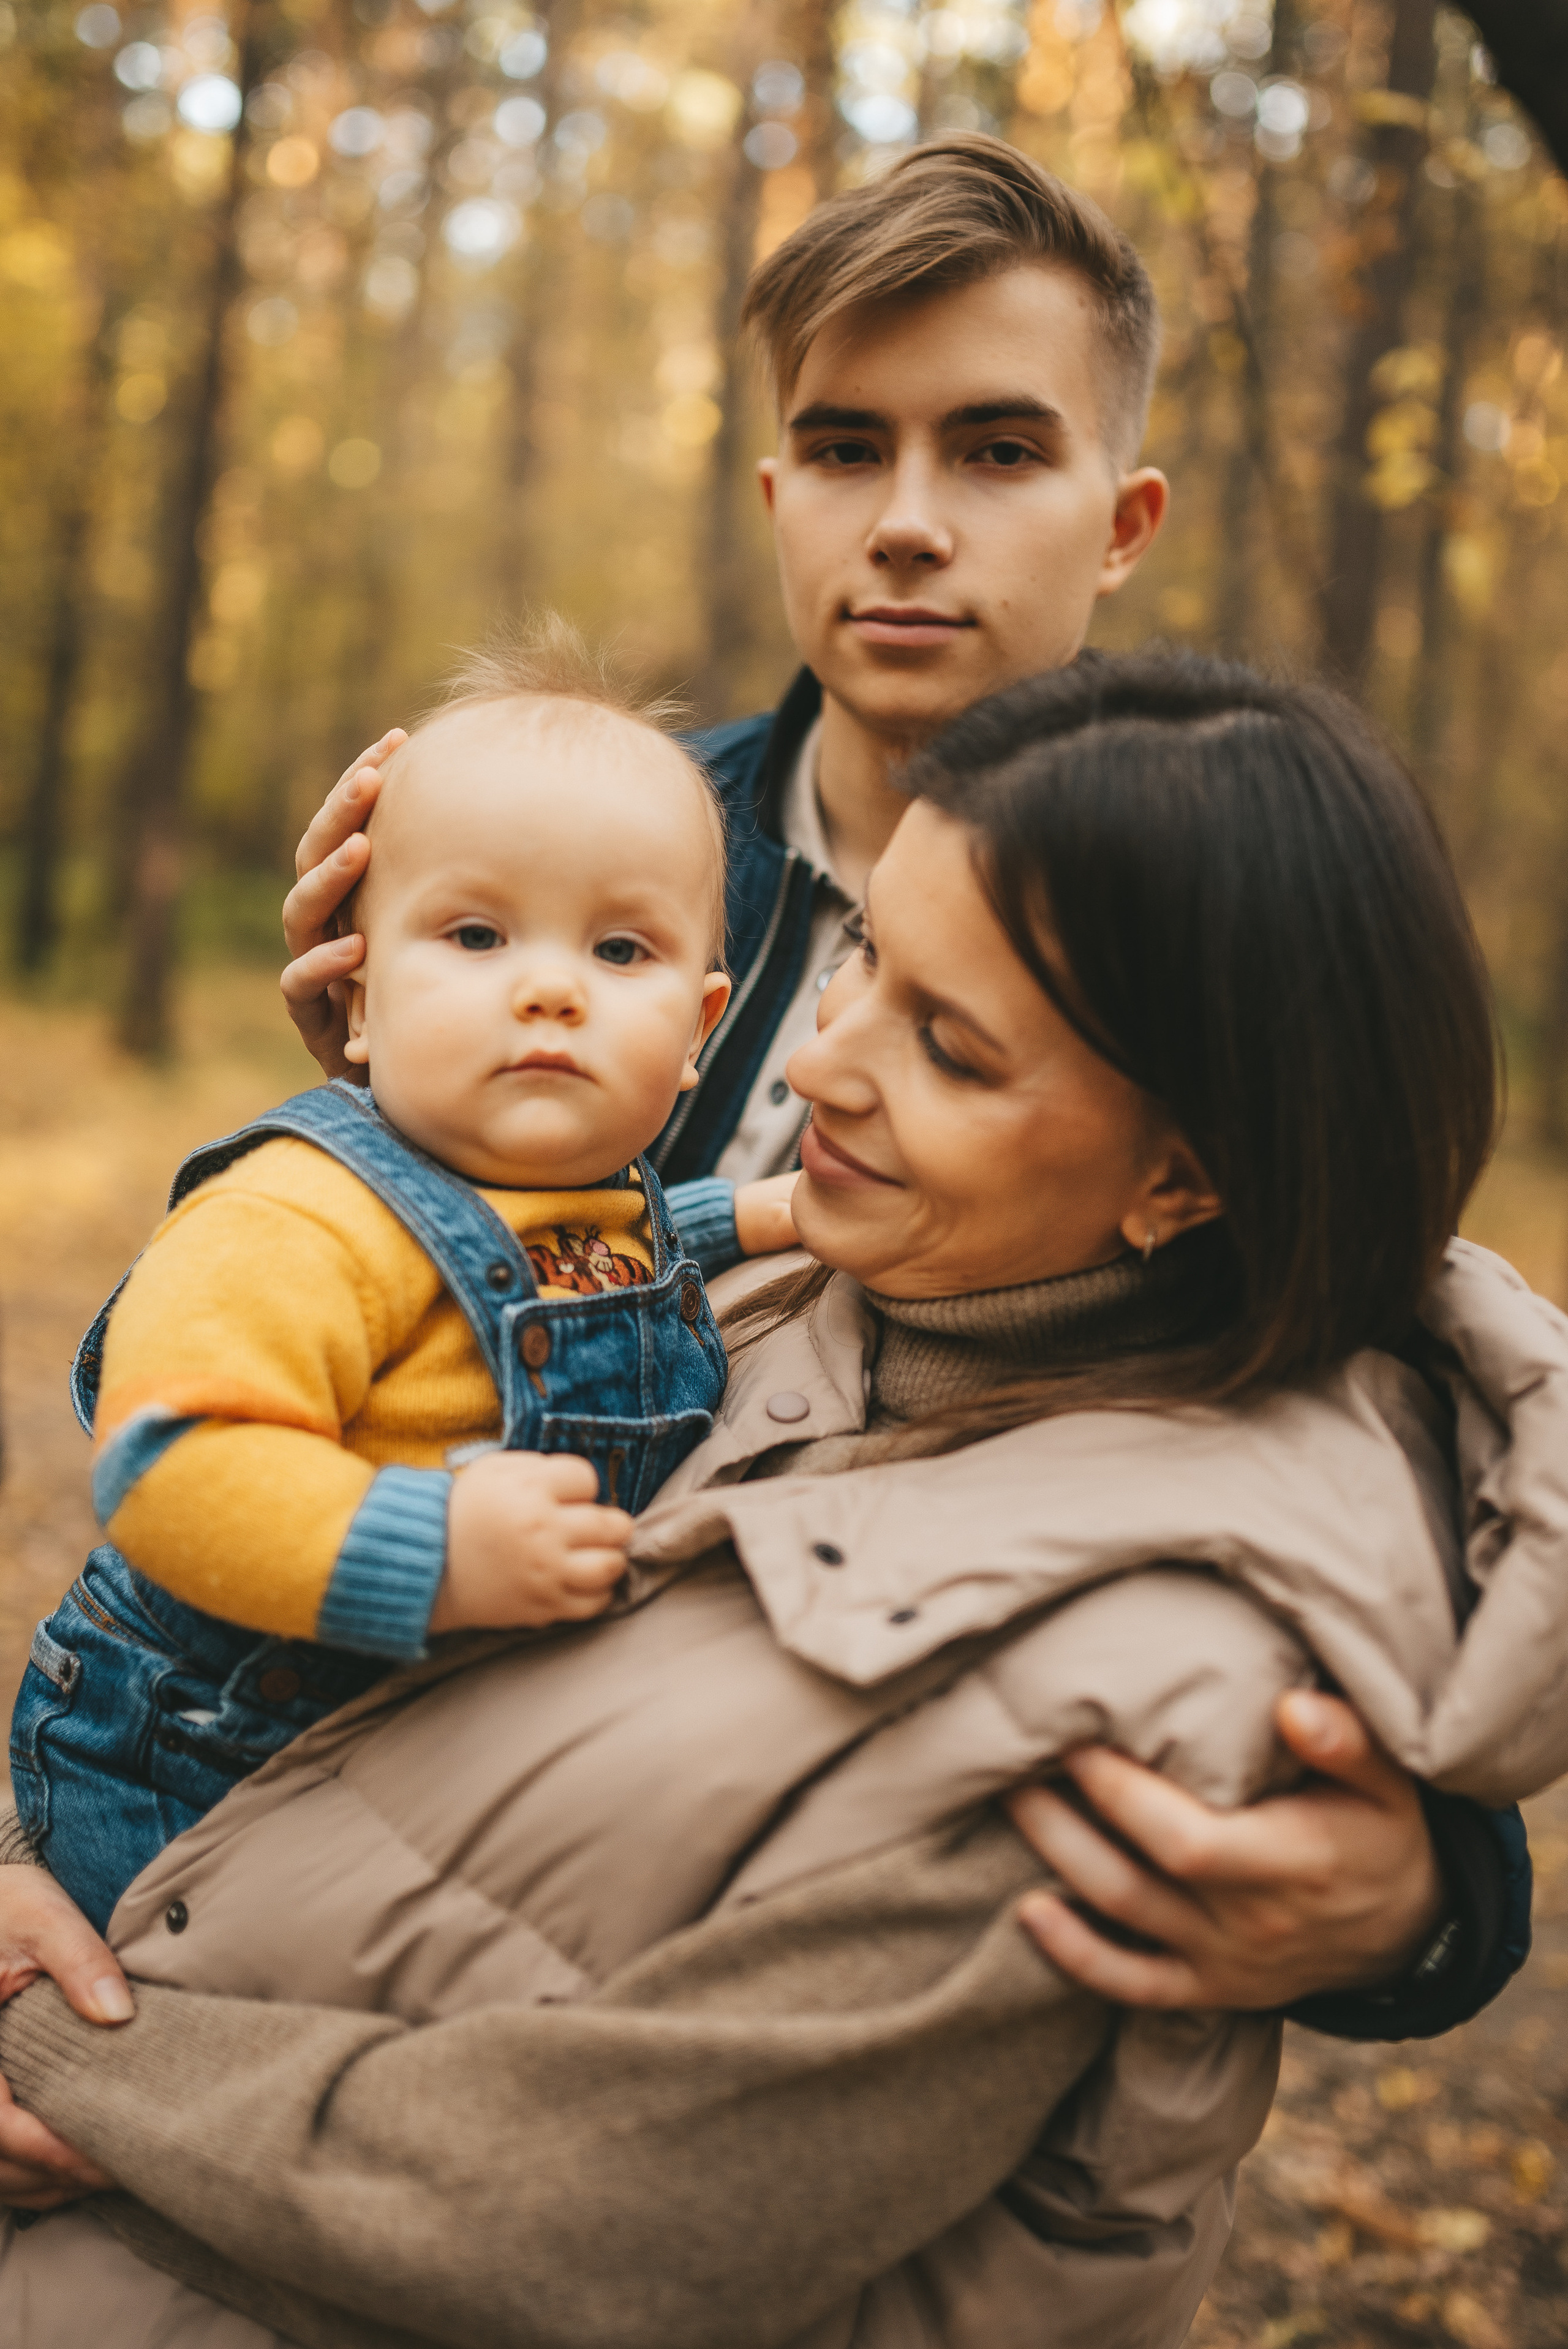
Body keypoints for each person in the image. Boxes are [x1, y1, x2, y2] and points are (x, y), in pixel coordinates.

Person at [1, 656, 1564, 2349]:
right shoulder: (823, 1300)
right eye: (869, 955)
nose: (817, 1065)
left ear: (1186, 1176)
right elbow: (228, 1609)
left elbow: (590, 2215)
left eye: (949, 1046)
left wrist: (64, 2048)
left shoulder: (1140, 1685)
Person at [269, 135, 1531, 2039]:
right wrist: (381, 1137)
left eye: (1001, 450)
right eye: (849, 449)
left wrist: (1430, 1887)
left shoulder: (1223, 906)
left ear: (1125, 518)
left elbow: (1360, 1396)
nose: (909, 521)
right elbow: (263, 1389)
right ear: (777, 490)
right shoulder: (572, 841)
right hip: (411, 1823)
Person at [10, 627, 729, 1933]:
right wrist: (433, 1551)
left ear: (699, 1030)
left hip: (404, 1772)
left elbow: (609, 1257)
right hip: (191, 1766)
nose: (552, 989)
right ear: (351, 997)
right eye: (474, 933)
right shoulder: (301, 1211)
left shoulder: (589, 1202)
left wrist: (770, 1211)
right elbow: (168, 1456)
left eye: (620, 953)